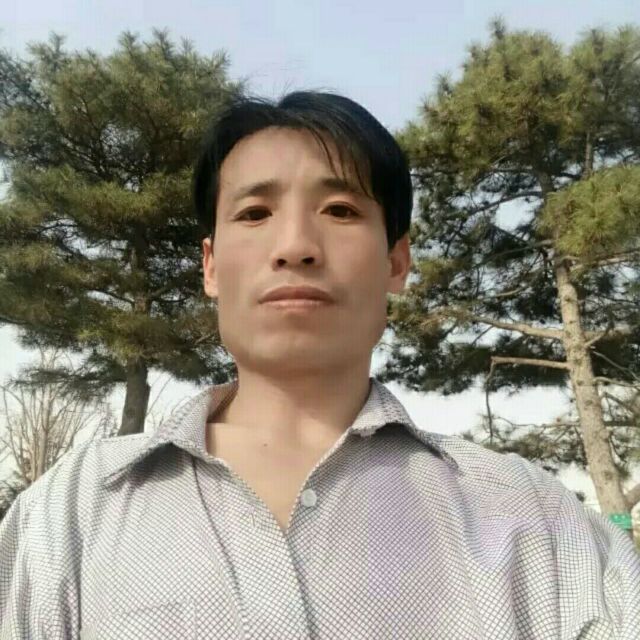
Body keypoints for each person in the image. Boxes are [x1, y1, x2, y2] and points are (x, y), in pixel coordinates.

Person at [1, 91, 638, 639]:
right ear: (211, 267)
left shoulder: (533, 520)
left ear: (396, 261)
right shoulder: (70, 512)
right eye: (255, 214)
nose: (296, 247)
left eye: (340, 210)